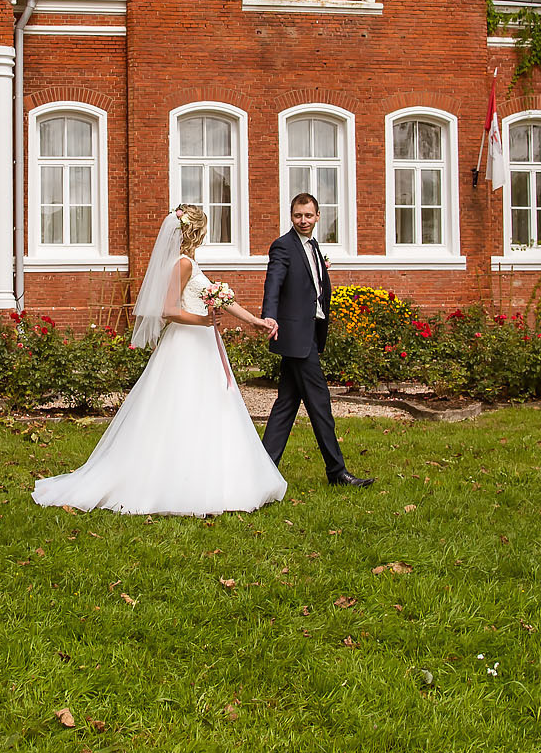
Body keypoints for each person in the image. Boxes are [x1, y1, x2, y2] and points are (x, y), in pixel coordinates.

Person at [31, 204, 288, 516]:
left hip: (202, 345)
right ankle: (177, 480)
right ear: (197, 233)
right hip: (186, 345)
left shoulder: (191, 263)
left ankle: (214, 474)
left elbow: (222, 299)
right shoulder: (182, 265)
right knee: (181, 408)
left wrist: (254, 321)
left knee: (212, 407)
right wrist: (203, 322)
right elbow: (168, 310)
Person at [260, 192, 370, 487]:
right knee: (319, 403)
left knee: (286, 404)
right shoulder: (282, 246)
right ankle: (337, 472)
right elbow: (274, 282)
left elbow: (314, 285)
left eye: (308, 216)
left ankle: (262, 469)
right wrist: (269, 315)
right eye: (298, 216)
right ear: (291, 216)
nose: (304, 221)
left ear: (318, 216)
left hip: (309, 334)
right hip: (296, 338)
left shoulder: (315, 247)